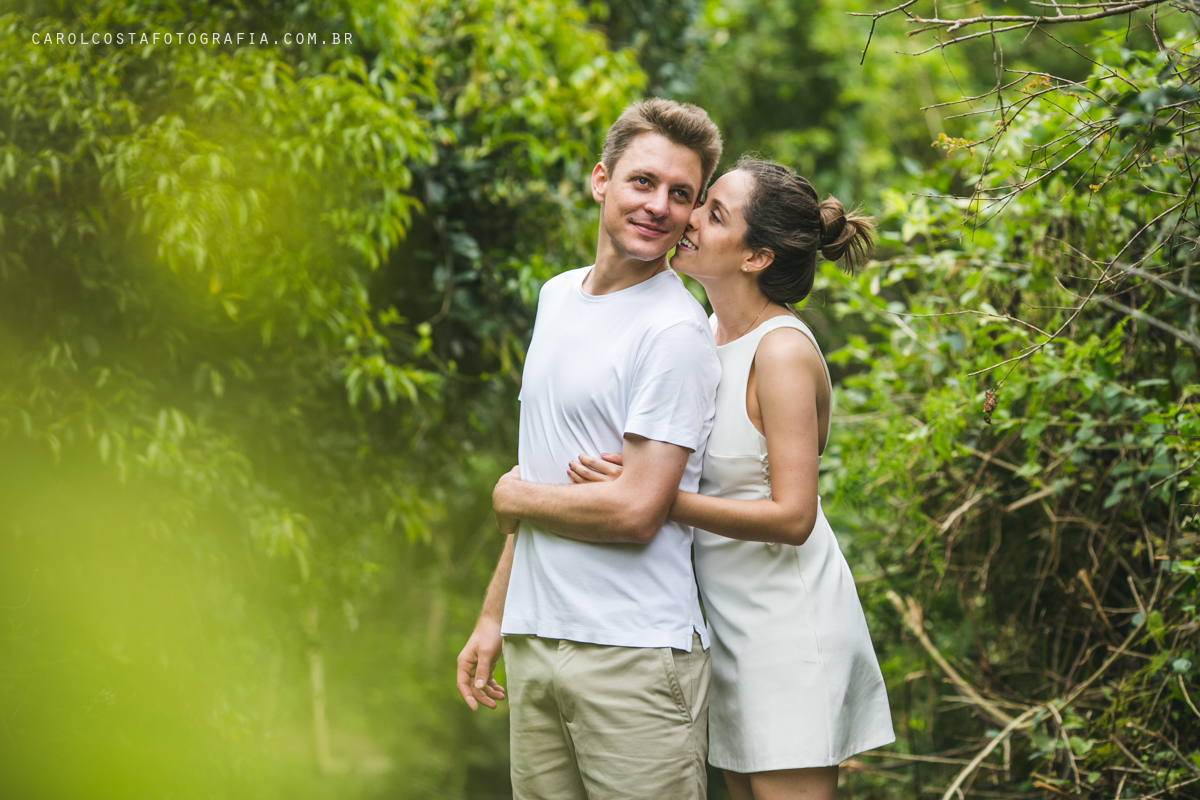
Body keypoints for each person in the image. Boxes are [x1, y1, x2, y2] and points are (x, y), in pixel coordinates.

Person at [566, 157, 895, 800]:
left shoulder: (781, 351)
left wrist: (657, 499)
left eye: (714, 214)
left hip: (787, 632)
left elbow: (793, 517)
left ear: (756, 258)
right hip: (728, 630)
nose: (688, 218)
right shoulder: (704, 331)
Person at [455, 98, 723, 800]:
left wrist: (512, 494)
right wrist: (495, 613)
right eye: (643, 181)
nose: (659, 206)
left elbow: (636, 511)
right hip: (535, 637)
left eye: (681, 194)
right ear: (601, 180)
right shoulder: (555, 297)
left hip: (633, 654)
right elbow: (549, 470)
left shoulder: (674, 331)